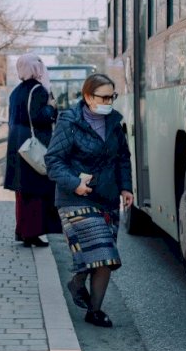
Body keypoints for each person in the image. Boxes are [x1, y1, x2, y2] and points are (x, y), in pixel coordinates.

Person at [45, 73, 133, 328]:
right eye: (103, 97)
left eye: (112, 97)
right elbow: (53, 161)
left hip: (106, 198)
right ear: (87, 97)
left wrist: (126, 187)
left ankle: (93, 308)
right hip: (75, 200)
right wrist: (75, 183)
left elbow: (123, 158)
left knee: (103, 258)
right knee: (104, 252)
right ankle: (79, 286)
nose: (108, 102)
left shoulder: (114, 122)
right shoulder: (69, 121)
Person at [3, 54, 60, 247]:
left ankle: (24, 231)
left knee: (23, 192)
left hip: (18, 146)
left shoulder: (16, 91)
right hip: (35, 147)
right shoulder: (39, 90)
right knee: (37, 190)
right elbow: (39, 117)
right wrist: (52, 108)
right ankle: (33, 233)